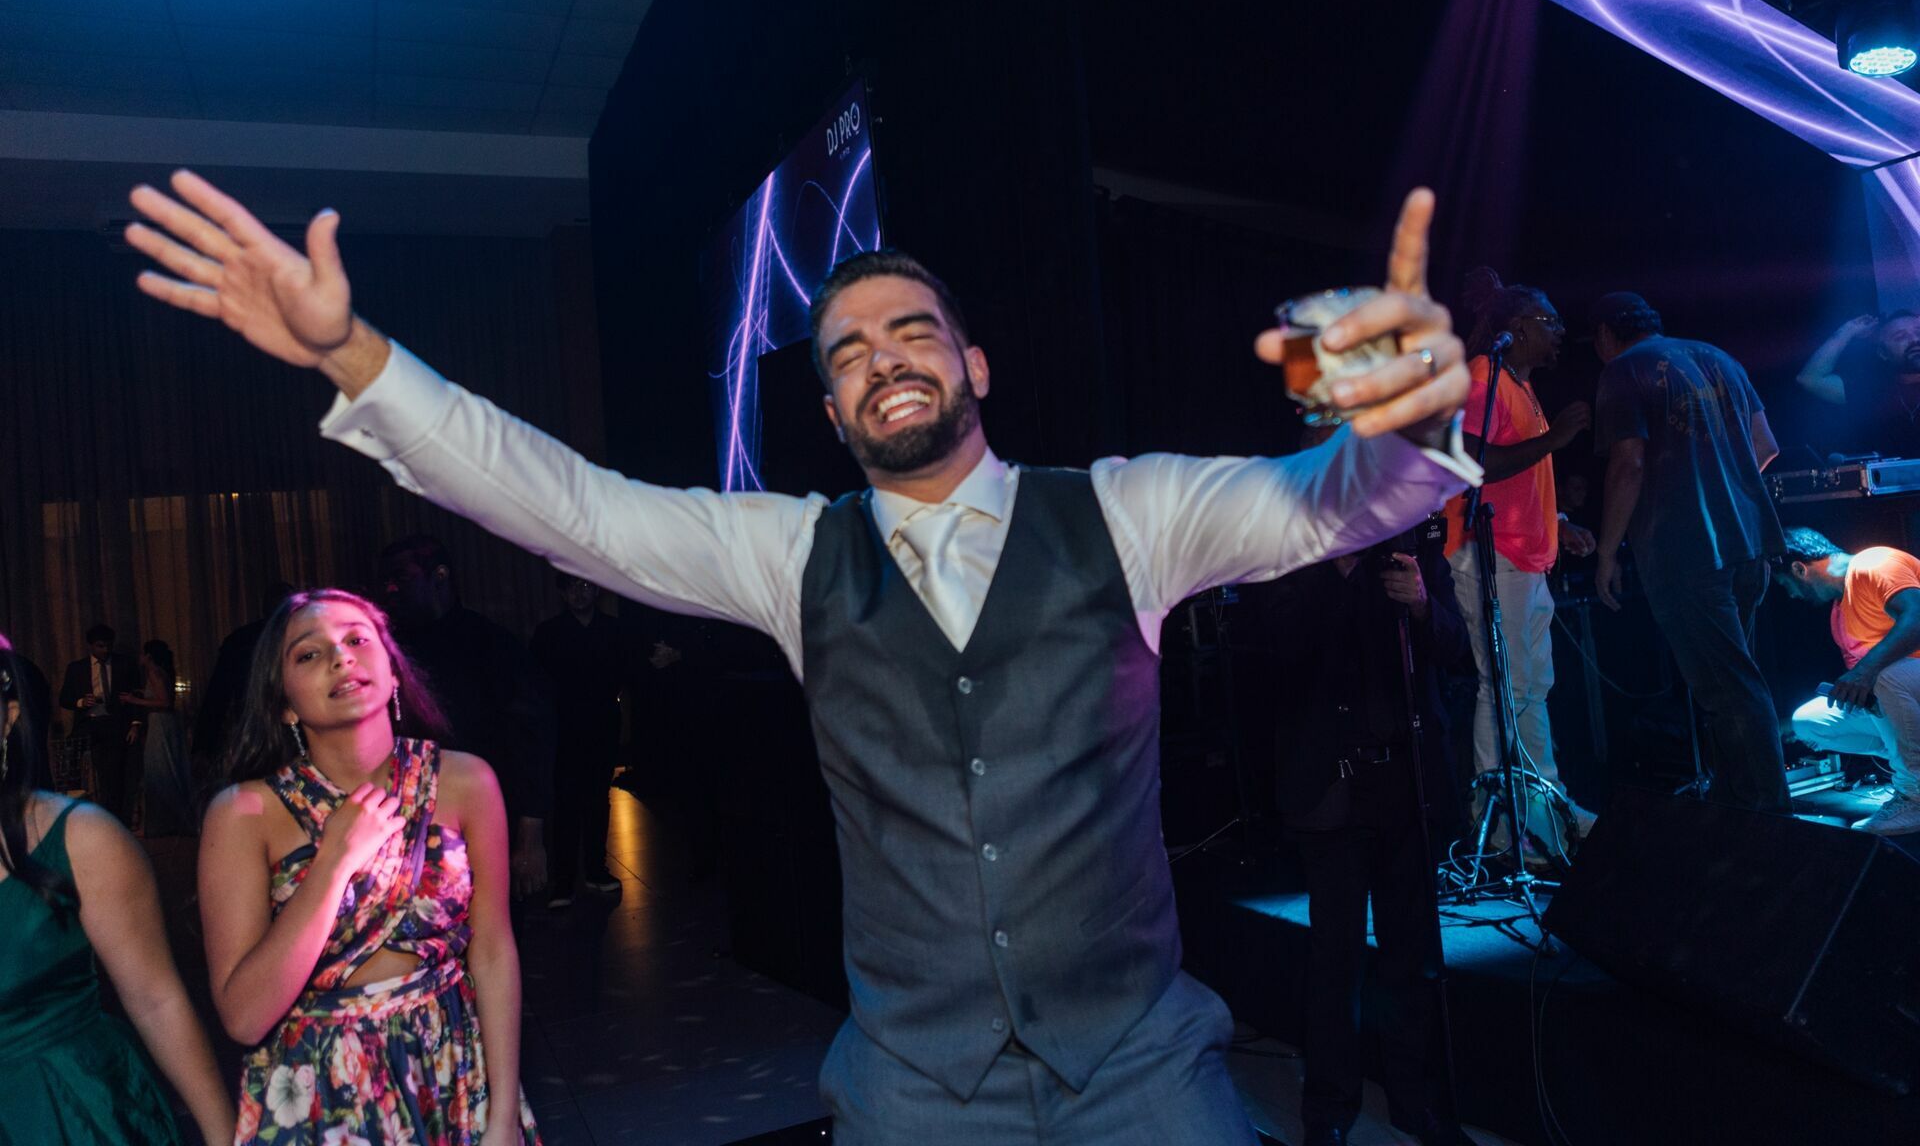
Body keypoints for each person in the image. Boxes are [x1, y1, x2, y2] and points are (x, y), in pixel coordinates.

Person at [127, 169, 1473, 1144]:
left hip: (1143, 1073)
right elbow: (571, 506)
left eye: (912, 331)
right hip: (916, 1089)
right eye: (849, 352)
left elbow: (1326, 504)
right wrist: (356, 357)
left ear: (976, 365)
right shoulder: (791, 553)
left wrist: (1409, 418)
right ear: (831, 408)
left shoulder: (1125, 513)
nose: (883, 358)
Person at [196, 589, 541, 1144]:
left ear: (393, 671)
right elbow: (244, 1017)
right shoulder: (244, 813)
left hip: (452, 1073)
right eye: (309, 653)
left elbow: (494, 952)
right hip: (320, 1091)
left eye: (357, 639)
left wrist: (501, 1113)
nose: (340, 657)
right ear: (283, 703)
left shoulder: (466, 781)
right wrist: (333, 862)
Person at [1271, 425, 1474, 1146]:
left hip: (1406, 784)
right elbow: (1275, 655)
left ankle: (1419, 1103)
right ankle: (1329, 1109)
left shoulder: (1412, 547)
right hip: (1333, 790)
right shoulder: (1293, 551)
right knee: (1335, 958)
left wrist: (1421, 604)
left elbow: (1457, 653)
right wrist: (1338, 573)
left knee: (1412, 954)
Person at [0, 632, 235, 1145]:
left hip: (65, 1115)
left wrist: (225, 1137)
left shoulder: (83, 839)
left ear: (8, 717)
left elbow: (157, 1001)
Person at [1592, 291, 1788, 812]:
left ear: (1606, 335)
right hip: (1749, 542)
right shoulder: (1719, 357)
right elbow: (1766, 445)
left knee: (1730, 690)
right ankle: (1734, 806)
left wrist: (1606, 552)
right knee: (1734, 682)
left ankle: (1770, 821)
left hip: (1686, 551)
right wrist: (1723, 484)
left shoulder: (1622, 370)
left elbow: (1628, 465)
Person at [1442, 269, 1598, 845]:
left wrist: (1557, 523)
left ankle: (1545, 809)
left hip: (1524, 559)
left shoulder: (1520, 386)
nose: (1559, 330)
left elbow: (1517, 478)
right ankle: (1500, 823)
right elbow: (1473, 463)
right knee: (1504, 685)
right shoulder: (1482, 377)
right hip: (1490, 555)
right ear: (1516, 328)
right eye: (1548, 321)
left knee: (1531, 687)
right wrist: (1555, 441)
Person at [376, 534, 556, 902]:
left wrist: (530, 836)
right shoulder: (387, 651)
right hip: (408, 830)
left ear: (439, 576)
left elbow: (533, 740)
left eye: (402, 578)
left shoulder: (492, 645)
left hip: (484, 822)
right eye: (387, 581)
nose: (391, 589)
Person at [1773, 528, 1920, 835]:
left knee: (1880, 675)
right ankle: (1908, 765)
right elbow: (1864, 691)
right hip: (1906, 695)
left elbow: (1917, 617)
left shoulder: (1874, 563)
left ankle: (1915, 795)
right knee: (1807, 721)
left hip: (1905, 683)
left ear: (1799, 568)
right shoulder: (1839, 612)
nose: (1792, 595)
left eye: (1787, 585)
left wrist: (1865, 672)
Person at [531, 574, 629, 906]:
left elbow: (625, 672)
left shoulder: (613, 629)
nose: (579, 592)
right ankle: (564, 880)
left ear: (596, 588)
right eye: (572, 586)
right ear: (562, 592)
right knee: (567, 802)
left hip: (602, 725)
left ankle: (595, 870)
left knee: (598, 799)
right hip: (565, 729)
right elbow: (538, 684)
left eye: (585, 585)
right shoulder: (549, 633)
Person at [1795, 310, 1920, 457]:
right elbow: (1810, 379)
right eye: (1900, 337)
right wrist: (1848, 330)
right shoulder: (1874, 390)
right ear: (1883, 353)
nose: (1914, 340)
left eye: (1919, 332)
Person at [200, 581, 297, 769]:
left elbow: (217, 695)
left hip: (254, 726)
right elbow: (218, 693)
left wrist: (205, 744)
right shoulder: (299, 638)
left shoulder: (240, 639)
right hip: (267, 725)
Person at [56, 624, 140, 821]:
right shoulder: (76, 668)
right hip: (88, 723)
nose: (105, 650)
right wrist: (81, 702)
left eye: (108, 645)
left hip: (114, 723)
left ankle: (114, 818)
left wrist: (135, 723)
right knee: (73, 765)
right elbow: (64, 698)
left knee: (113, 774)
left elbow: (135, 694)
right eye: (100, 646)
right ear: (91, 646)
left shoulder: (123, 664)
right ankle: (78, 815)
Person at [120, 639, 196, 836]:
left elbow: (165, 702)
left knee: (159, 770)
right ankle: (171, 822)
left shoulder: (153, 672)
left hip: (160, 724)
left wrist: (133, 700)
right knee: (167, 769)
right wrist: (142, 694)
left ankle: (160, 824)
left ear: (148, 656)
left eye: (142, 654)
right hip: (165, 723)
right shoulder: (161, 671)